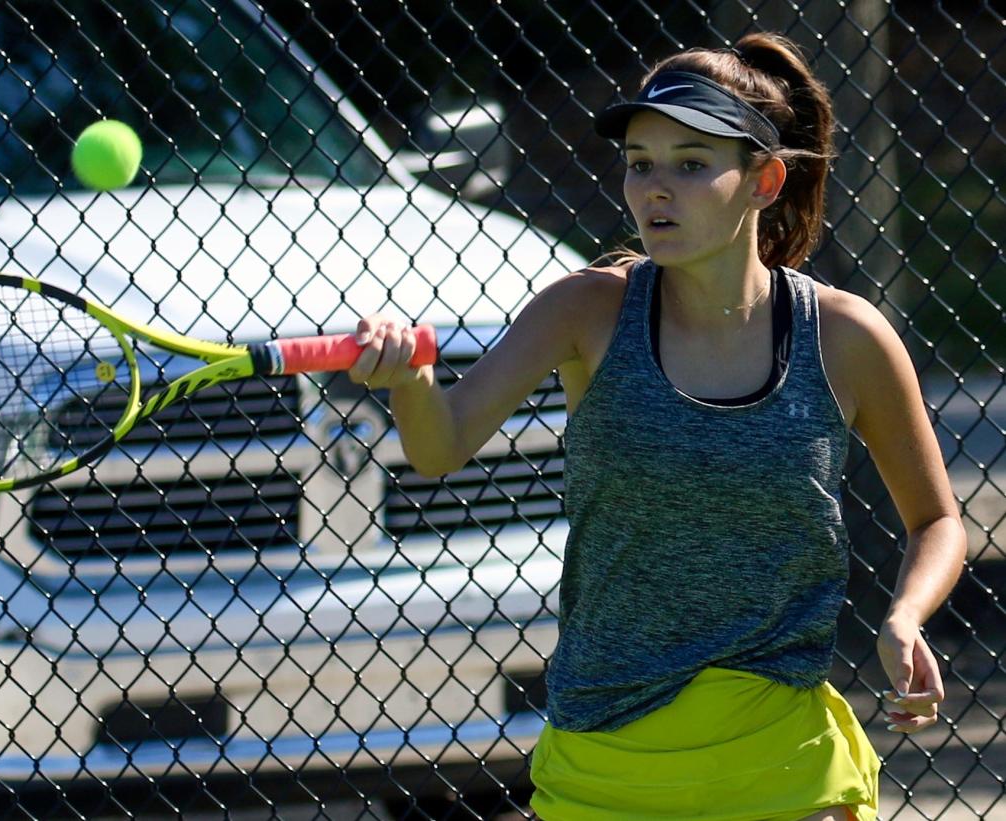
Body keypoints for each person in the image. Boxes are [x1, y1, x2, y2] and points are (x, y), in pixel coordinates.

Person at [348, 32, 967, 821]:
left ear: (764, 180)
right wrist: (410, 380)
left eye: (690, 163)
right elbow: (438, 447)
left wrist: (905, 616)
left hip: (782, 762)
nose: (655, 190)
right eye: (640, 163)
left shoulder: (846, 336)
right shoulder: (583, 310)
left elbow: (938, 518)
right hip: (606, 758)